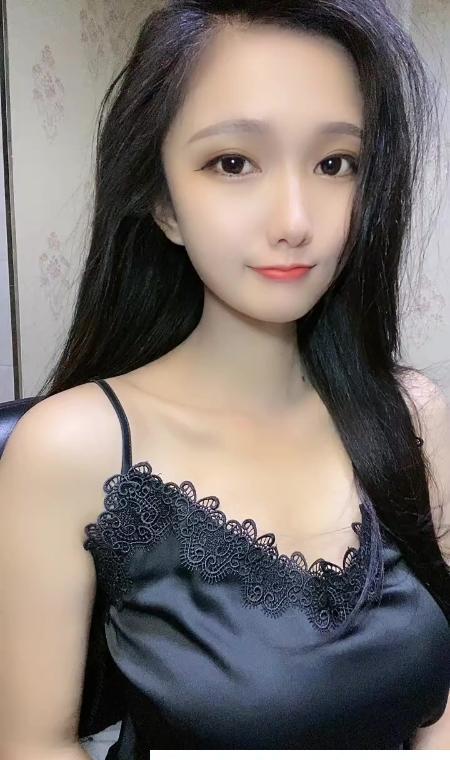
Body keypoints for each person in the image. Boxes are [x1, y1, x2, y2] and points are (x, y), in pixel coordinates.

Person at [1, 0, 450, 756]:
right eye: (233, 163)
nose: (295, 220)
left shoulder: (413, 413)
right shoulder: (71, 449)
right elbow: (33, 744)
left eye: (335, 163)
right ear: (163, 202)